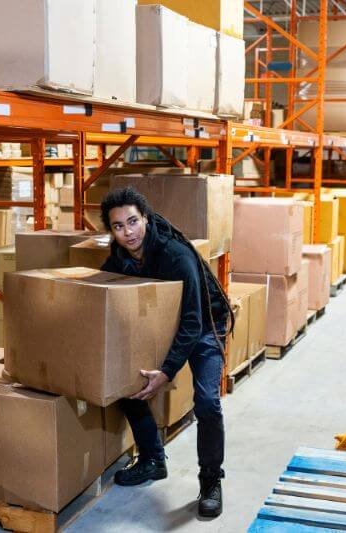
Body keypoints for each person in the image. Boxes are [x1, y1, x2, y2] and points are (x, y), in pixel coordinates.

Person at [99, 186, 234, 518]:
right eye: (118, 226)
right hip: (159, 324)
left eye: (133, 221)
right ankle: (152, 460)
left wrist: (167, 371)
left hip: (204, 323)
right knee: (127, 380)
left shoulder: (175, 255)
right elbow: (102, 290)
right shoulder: (118, 258)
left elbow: (191, 320)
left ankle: (211, 480)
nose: (127, 232)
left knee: (207, 401)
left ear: (145, 218)